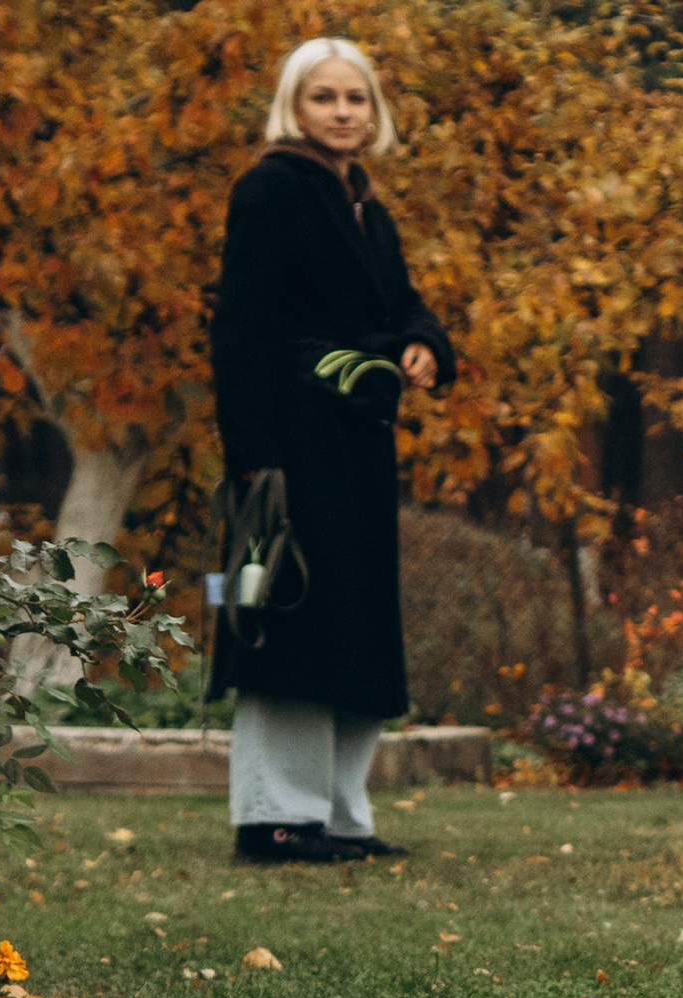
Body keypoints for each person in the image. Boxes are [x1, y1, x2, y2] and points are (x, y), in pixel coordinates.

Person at [209, 37, 454, 863]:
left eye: (355, 97)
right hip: (288, 442)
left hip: (357, 446)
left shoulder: (365, 207)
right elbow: (240, 329)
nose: (342, 111)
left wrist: (423, 342)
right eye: (325, 97)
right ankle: (276, 818)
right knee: (286, 620)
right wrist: (252, 457)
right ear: (294, 106)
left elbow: (404, 304)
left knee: (355, 629)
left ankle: (342, 816)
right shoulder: (270, 189)